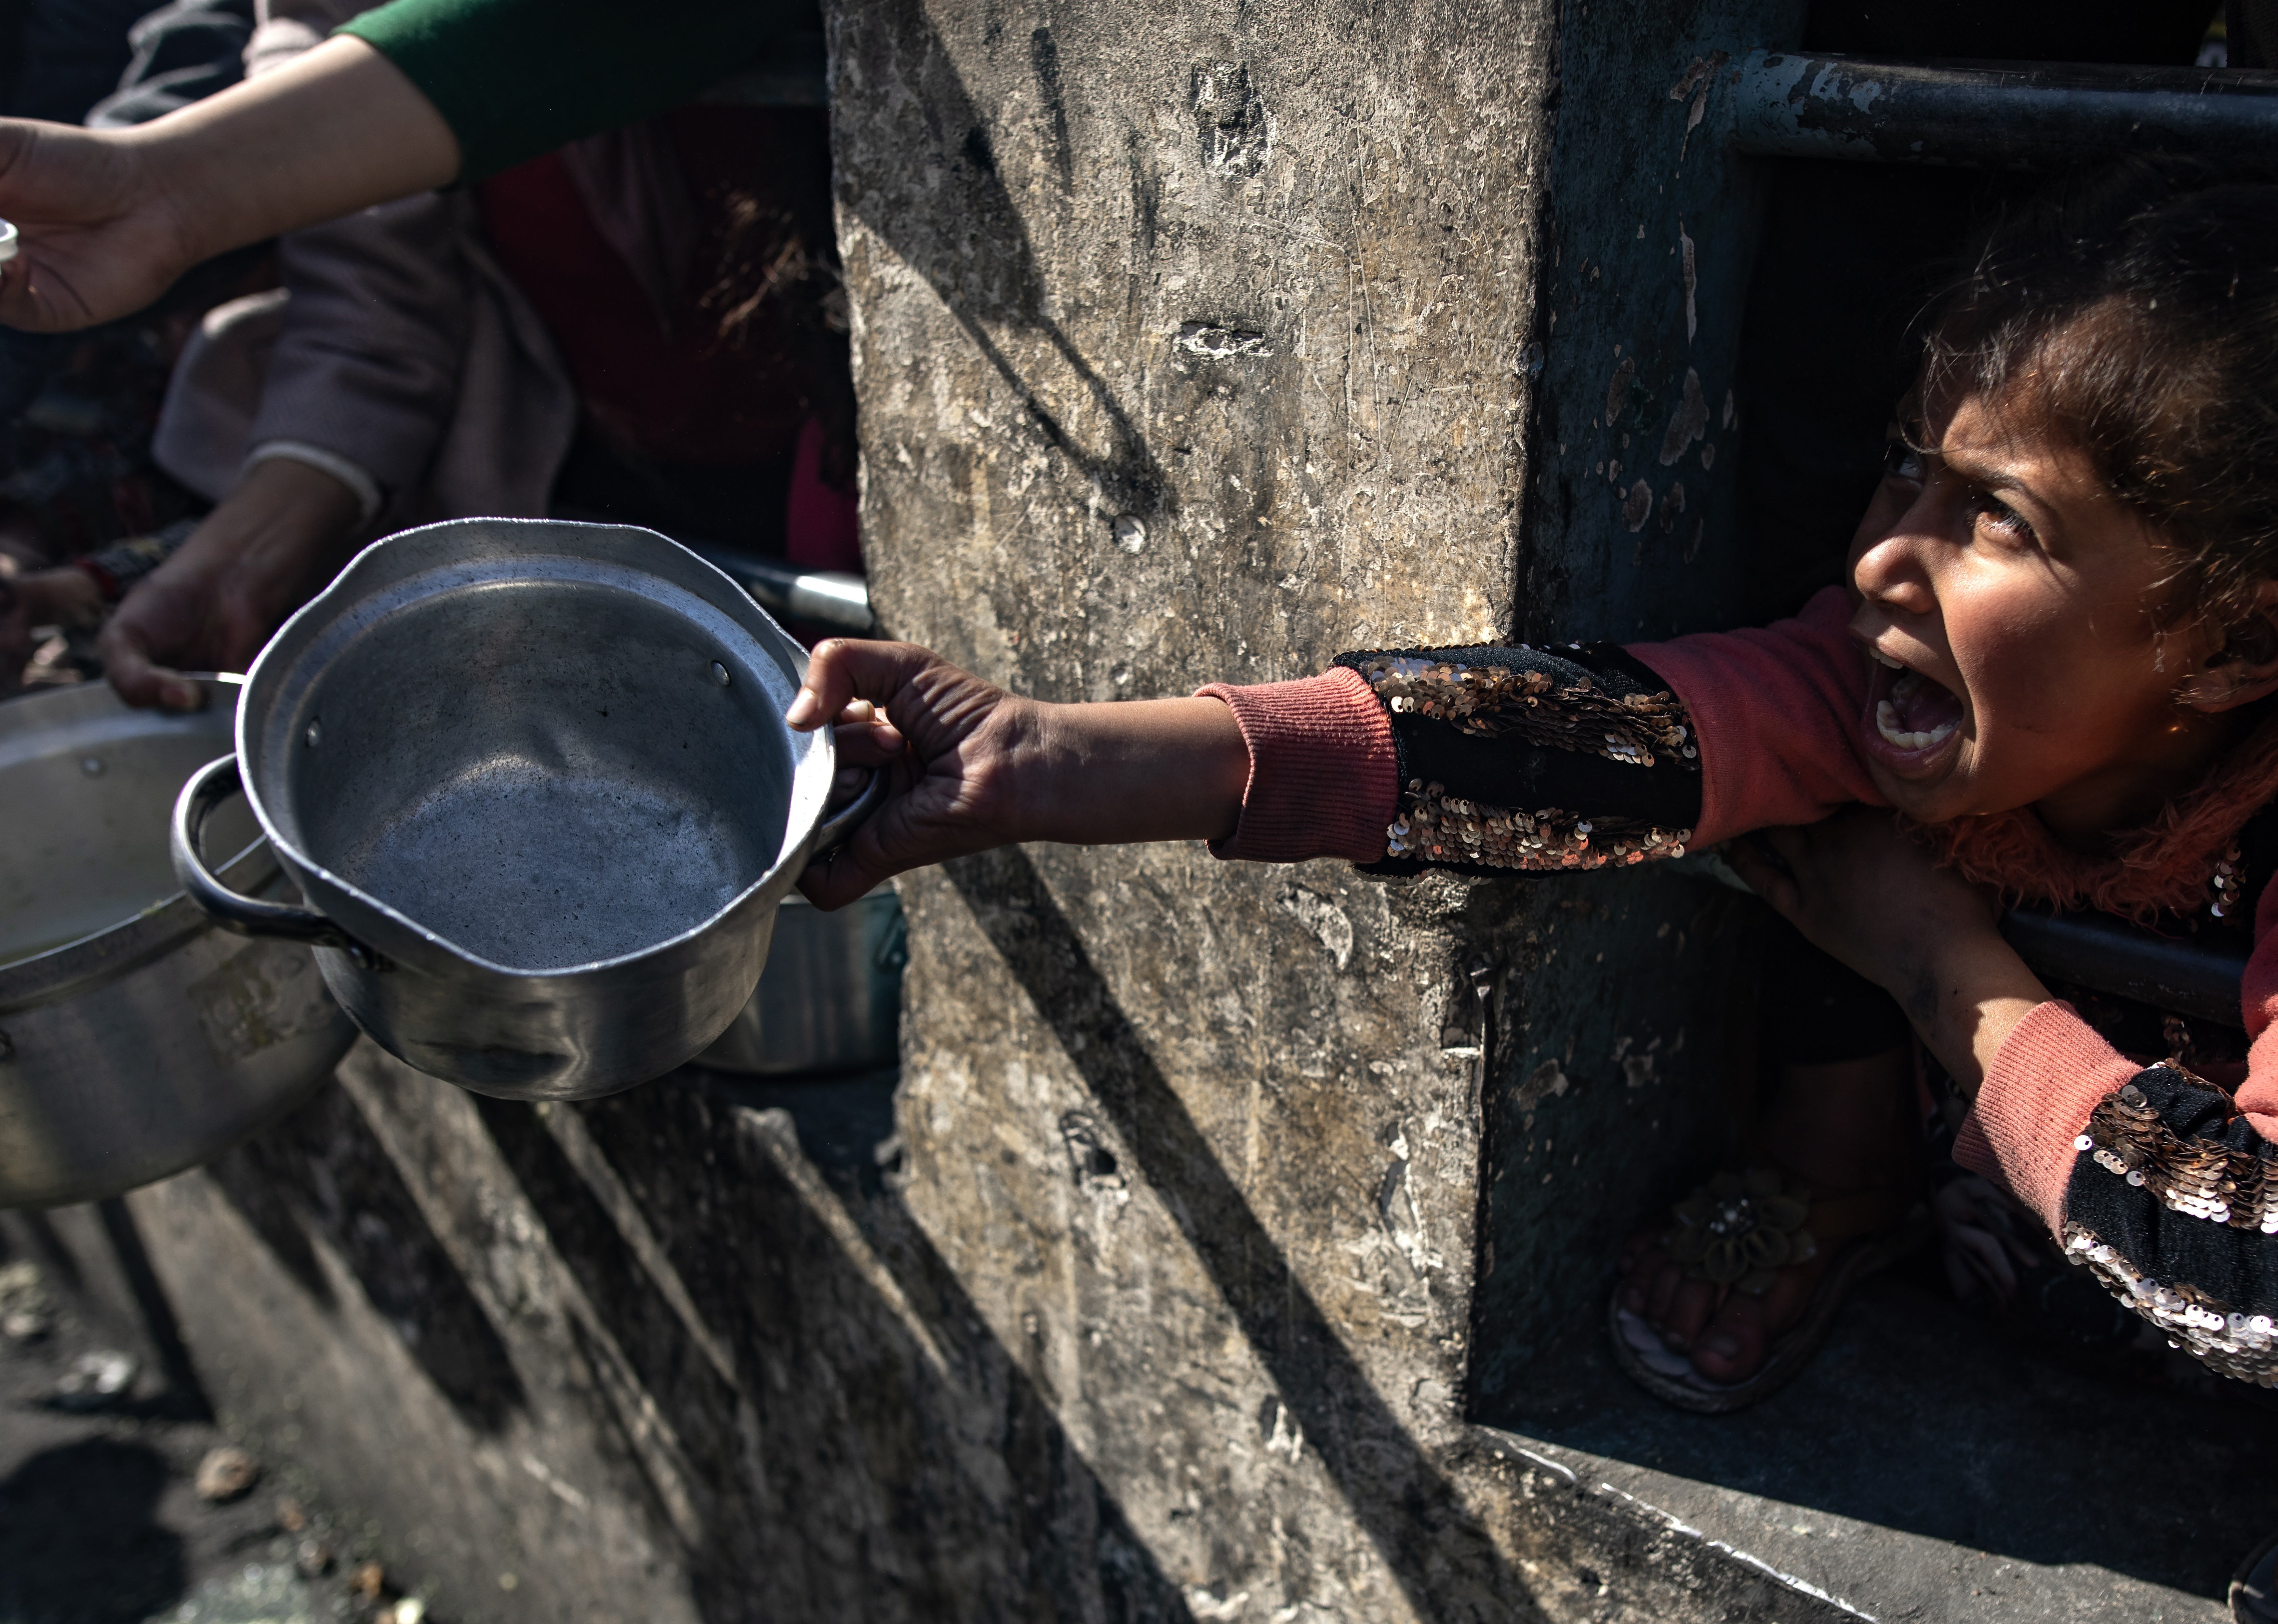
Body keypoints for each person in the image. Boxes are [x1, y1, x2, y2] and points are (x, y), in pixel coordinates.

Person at [785, 159, 2278, 1611]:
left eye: (2000, 519)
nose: (1890, 553)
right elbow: (1556, 746)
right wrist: (1044, 757)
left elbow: (2249, 1257)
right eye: (1906, 465)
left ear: (2231, 646)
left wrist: (1944, 970)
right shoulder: (1879, 678)